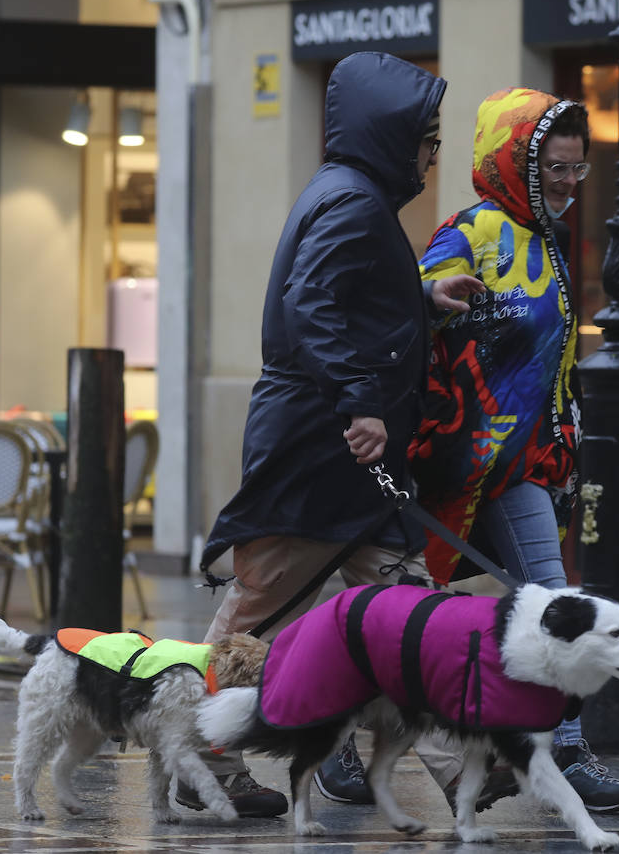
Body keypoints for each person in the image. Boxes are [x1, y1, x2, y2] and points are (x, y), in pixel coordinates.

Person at [184, 51, 484, 817]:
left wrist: (421, 298)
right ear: (389, 134)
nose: (433, 154)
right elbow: (311, 304)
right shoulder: (352, 202)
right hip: (322, 455)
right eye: (427, 138)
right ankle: (200, 759)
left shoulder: (349, 194)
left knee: (407, 612)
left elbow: (343, 300)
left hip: (345, 459)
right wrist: (359, 402)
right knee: (258, 617)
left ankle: (464, 769)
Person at [407, 87, 619, 814]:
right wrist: (433, 297)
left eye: (578, 169)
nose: (570, 184)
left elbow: (552, 366)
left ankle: (567, 752)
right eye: (555, 170)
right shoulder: (471, 229)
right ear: (511, 163)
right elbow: (409, 301)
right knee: (402, 608)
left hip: (518, 470)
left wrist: (563, 447)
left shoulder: (547, 239)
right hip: (449, 465)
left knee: (554, 598)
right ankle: (345, 749)